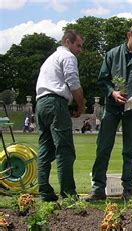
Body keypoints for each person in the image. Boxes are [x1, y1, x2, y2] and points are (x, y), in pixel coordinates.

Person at [85, 23, 132, 201]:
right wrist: (112, 92)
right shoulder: (112, 54)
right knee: (103, 147)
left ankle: (127, 190)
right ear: (128, 35)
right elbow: (103, 80)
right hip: (112, 107)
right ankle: (98, 189)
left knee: (129, 151)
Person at [35, 30, 85, 202]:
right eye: (78, 45)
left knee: (44, 149)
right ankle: (68, 194)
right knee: (64, 150)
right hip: (56, 103)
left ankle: (45, 193)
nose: (79, 50)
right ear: (67, 42)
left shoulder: (49, 60)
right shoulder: (68, 57)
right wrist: (81, 105)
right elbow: (73, 83)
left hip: (41, 103)